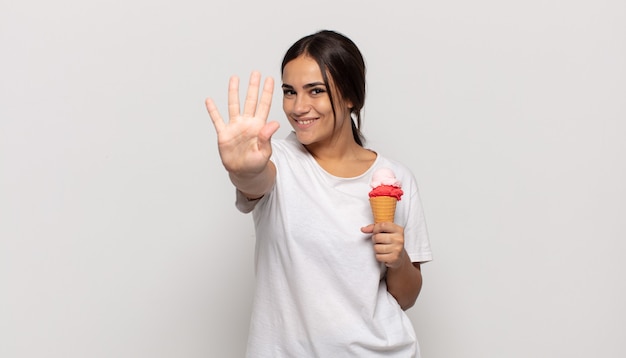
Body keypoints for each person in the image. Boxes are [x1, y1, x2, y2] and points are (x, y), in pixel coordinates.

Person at [205, 30, 432, 357]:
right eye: (290, 92)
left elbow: (406, 298)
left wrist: (398, 260)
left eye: (316, 91)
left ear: (351, 95)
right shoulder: (278, 160)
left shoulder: (398, 178)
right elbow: (255, 182)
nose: (299, 107)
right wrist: (242, 168)